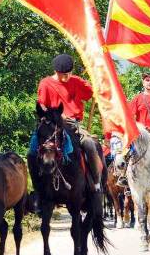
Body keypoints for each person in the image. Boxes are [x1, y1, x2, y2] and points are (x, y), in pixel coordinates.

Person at [36, 54, 102, 188]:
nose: (66, 77)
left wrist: (96, 83)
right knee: (33, 149)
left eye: (68, 74)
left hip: (74, 123)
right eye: (63, 75)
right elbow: (42, 105)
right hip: (53, 123)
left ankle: (96, 182)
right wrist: (54, 115)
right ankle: (37, 188)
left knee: (89, 144)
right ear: (56, 71)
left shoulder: (77, 81)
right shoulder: (45, 83)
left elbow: (91, 93)